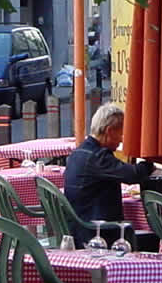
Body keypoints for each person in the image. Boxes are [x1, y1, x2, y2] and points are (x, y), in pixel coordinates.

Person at [64, 103, 153, 243]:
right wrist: (150, 158)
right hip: (96, 234)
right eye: (121, 133)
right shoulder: (98, 157)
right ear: (110, 131)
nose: (122, 139)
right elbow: (134, 175)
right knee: (158, 239)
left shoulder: (79, 152)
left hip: (79, 227)